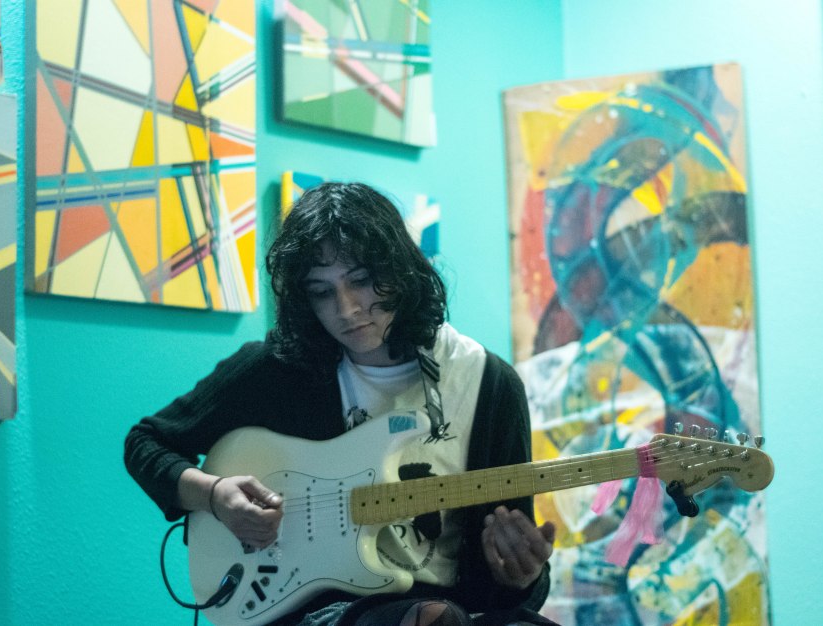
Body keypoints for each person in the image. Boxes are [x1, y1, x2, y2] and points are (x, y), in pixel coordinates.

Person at [124, 182, 557, 626]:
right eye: (321, 291)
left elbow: (507, 581)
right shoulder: (275, 369)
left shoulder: (489, 384)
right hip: (319, 610)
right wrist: (216, 497)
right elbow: (145, 442)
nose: (346, 309)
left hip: (449, 605)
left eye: (362, 281)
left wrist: (521, 575)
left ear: (401, 271)